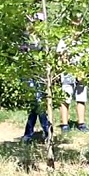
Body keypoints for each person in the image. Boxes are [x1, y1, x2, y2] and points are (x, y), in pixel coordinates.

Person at [21, 13, 51, 142]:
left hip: (41, 74)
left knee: (38, 103)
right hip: (28, 73)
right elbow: (21, 53)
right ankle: (45, 131)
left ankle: (30, 133)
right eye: (35, 22)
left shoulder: (46, 38)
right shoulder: (26, 38)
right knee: (36, 102)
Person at [57, 28, 89, 133]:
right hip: (68, 73)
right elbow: (61, 58)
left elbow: (87, 58)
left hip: (81, 73)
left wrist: (83, 72)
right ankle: (64, 124)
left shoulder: (84, 42)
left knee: (81, 98)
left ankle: (81, 123)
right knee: (65, 99)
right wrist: (70, 69)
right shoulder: (64, 41)